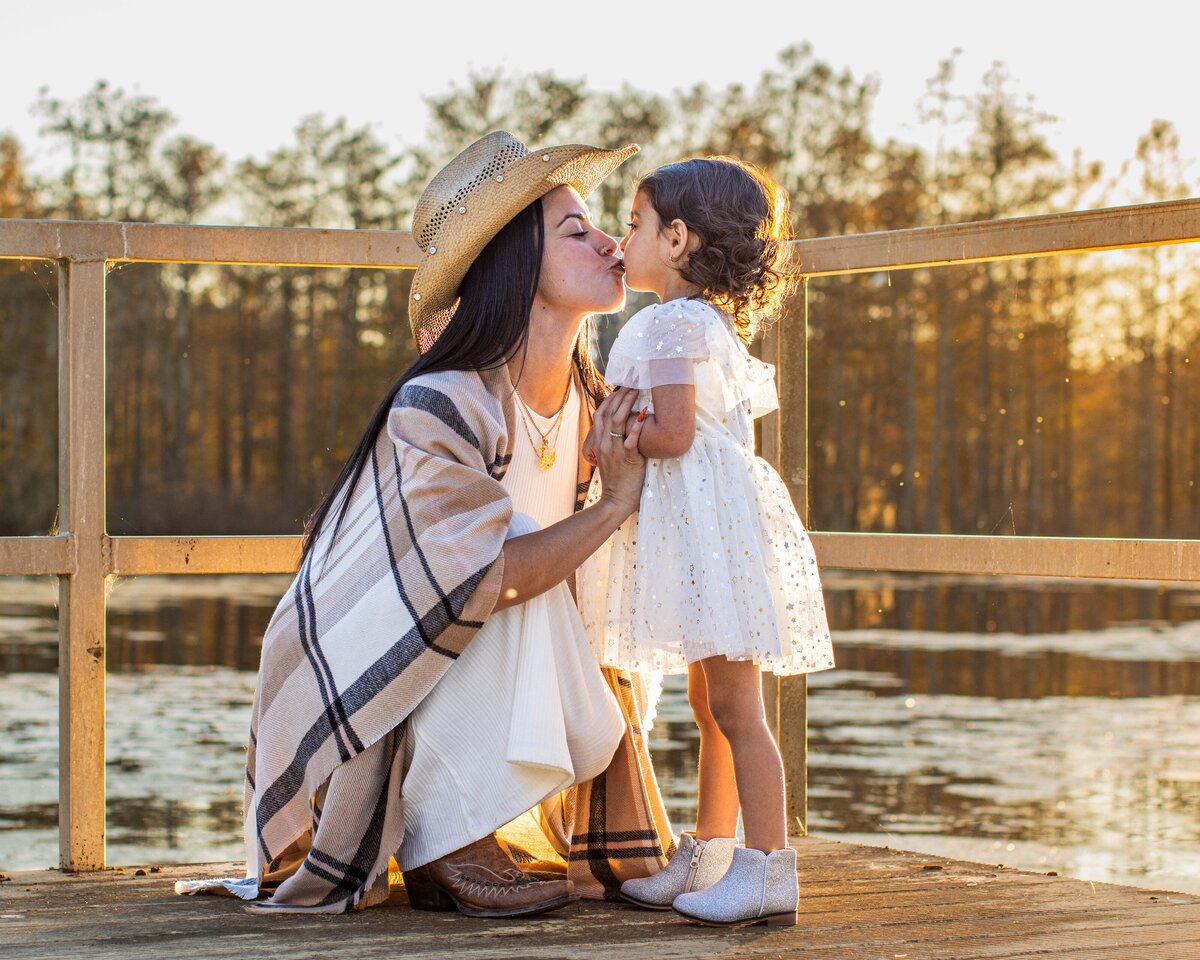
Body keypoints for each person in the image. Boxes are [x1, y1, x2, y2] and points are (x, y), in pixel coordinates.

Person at [176, 131, 674, 917]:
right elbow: (481, 578)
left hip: (482, 642)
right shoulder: (442, 400)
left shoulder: (595, 401)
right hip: (367, 652)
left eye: (603, 225)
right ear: (513, 265)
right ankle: (445, 837)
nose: (610, 242)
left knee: (573, 609)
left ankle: (477, 815)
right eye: (577, 231)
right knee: (498, 573)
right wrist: (613, 503)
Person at [578, 156, 835, 928]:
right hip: (713, 539)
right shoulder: (700, 321)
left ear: (679, 239)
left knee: (736, 708)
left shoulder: (669, 322)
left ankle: (766, 869)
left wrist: (607, 439)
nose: (623, 240)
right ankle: (713, 850)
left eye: (633, 224)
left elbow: (678, 432)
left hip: (704, 539)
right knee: (712, 700)